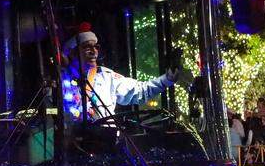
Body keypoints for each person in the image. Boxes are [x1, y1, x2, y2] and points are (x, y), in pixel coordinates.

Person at [59, 23, 187, 124]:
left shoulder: (106, 76)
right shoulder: (59, 80)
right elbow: (49, 111)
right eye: (87, 47)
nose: (94, 52)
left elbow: (140, 91)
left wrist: (167, 79)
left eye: (96, 47)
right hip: (73, 147)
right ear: (72, 52)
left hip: (108, 144)